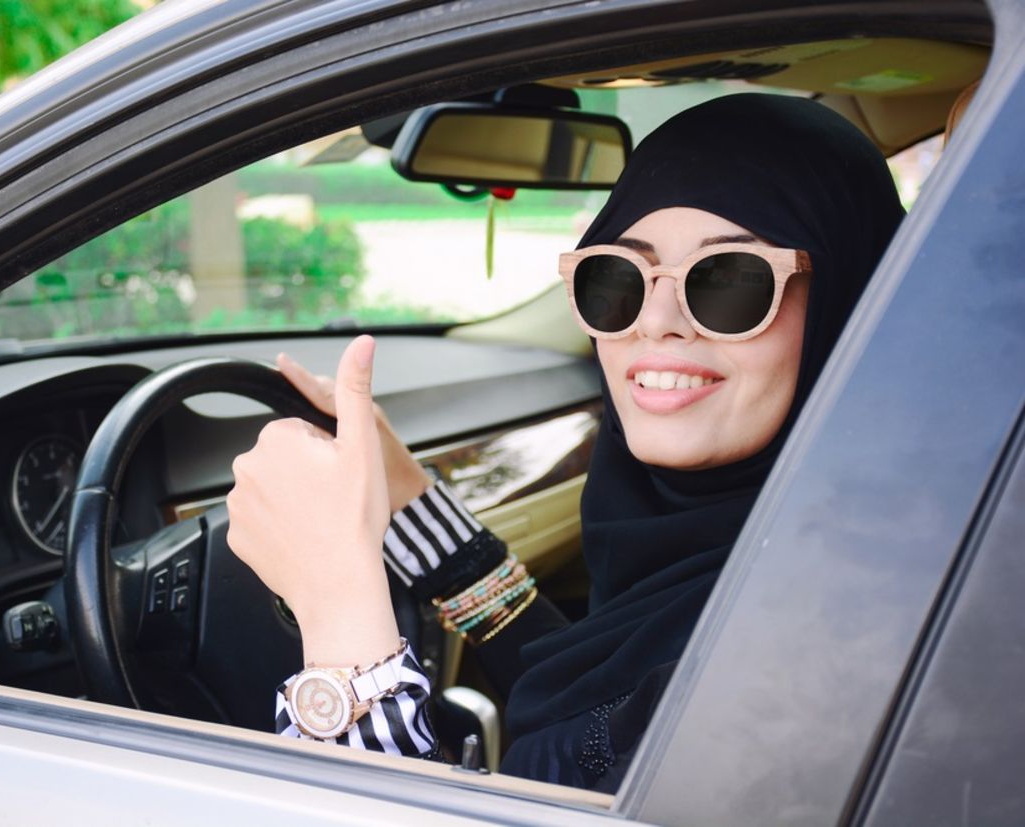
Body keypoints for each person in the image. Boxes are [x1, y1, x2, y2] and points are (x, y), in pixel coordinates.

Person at [225, 93, 905, 792]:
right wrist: (410, 503)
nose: (658, 322)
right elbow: (591, 703)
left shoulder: (830, 637)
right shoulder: (763, 546)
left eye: (729, 279)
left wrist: (340, 629)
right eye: (618, 277)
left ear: (848, 307)